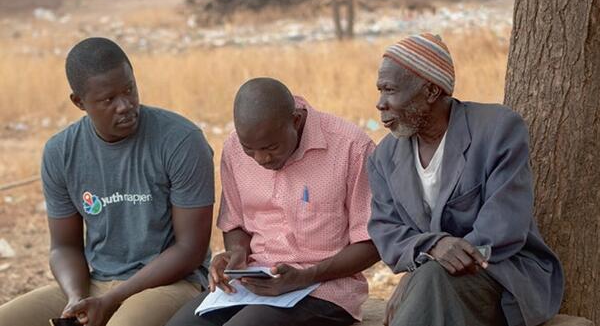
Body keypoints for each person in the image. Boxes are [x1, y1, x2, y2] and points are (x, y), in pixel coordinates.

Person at [0, 37, 215, 326]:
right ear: (79, 102)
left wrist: (112, 301)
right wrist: (76, 298)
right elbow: (64, 247)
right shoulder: (61, 152)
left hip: (171, 283)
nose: (125, 105)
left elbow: (191, 250)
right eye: (108, 99)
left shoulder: (180, 140)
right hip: (96, 285)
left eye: (129, 90)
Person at [367, 33, 564, 326]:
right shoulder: (384, 156)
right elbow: (386, 231)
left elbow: (504, 225)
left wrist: (421, 271)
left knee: (432, 279)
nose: (380, 104)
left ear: (431, 91)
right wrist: (432, 249)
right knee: (432, 281)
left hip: (501, 274)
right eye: (380, 91)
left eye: (389, 90)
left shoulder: (497, 130)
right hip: (433, 281)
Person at [166, 77, 380, 326]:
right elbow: (236, 224)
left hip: (323, 288)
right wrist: (237, 255)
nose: (261, 159)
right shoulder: (234, 149)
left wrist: (305, 276)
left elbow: (371, 242)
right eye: (250, 149)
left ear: (296, 121)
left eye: (271, 147)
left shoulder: (350, 148)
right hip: (255, 282)